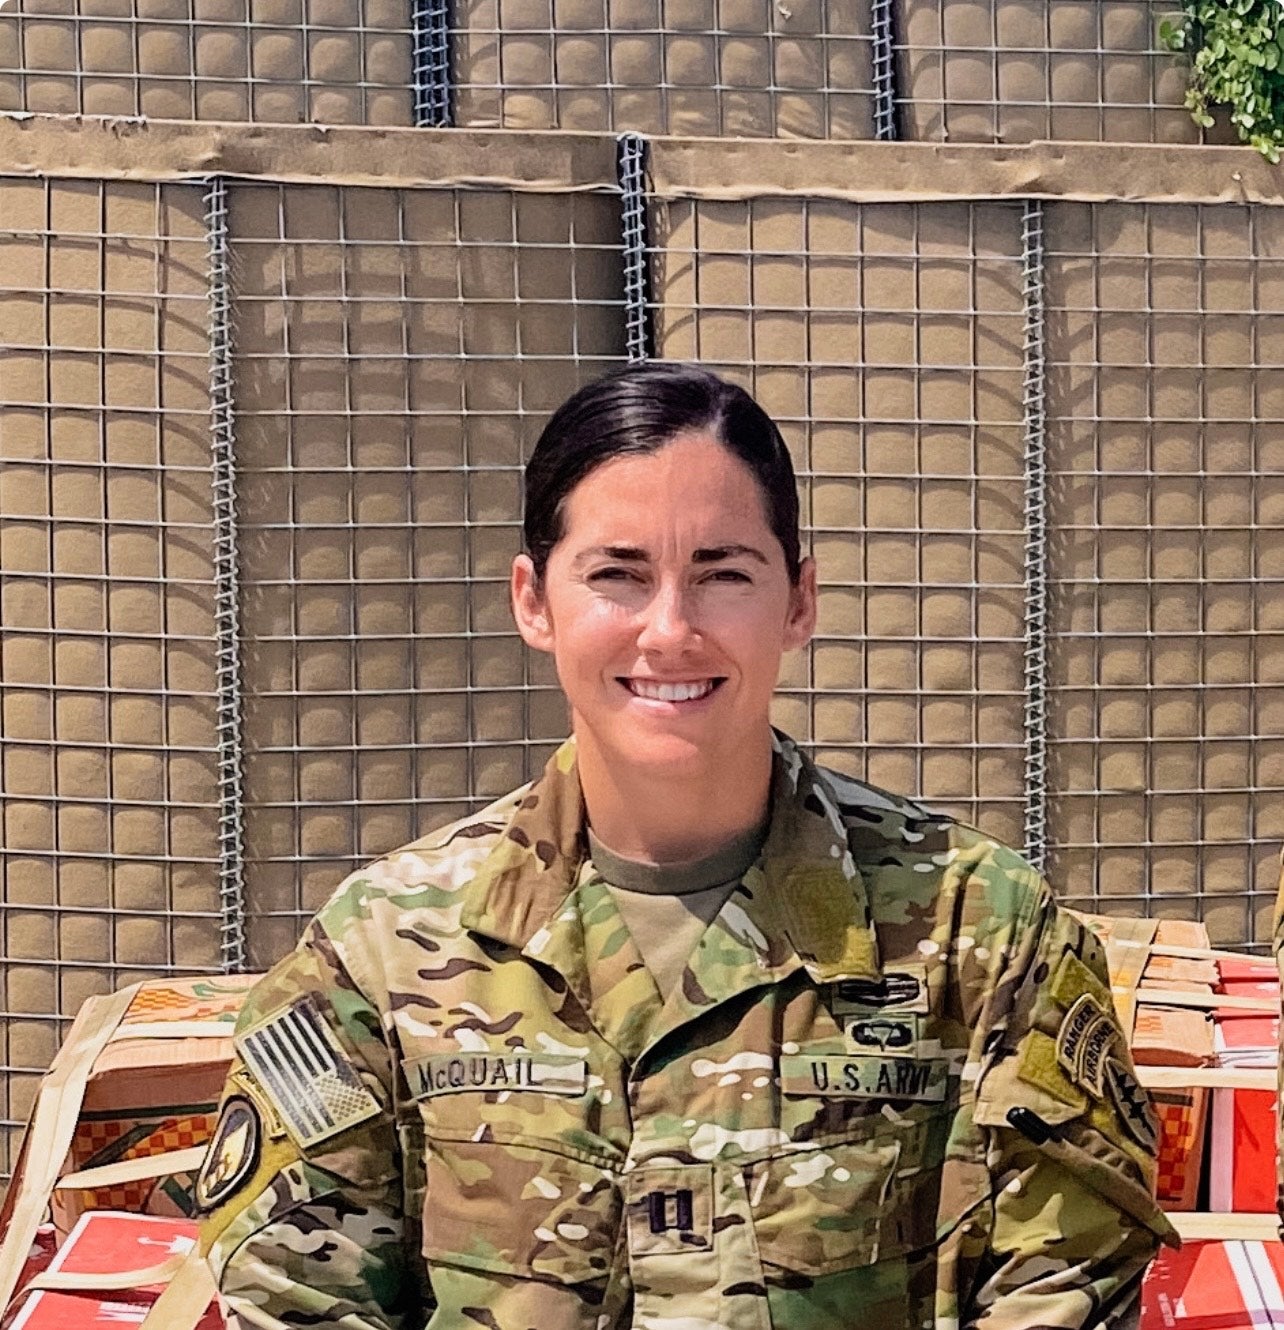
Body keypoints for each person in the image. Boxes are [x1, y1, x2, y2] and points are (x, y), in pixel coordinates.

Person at [197, 362, 1175, 1330]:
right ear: (533, 601)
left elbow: (1062, 1288)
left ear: (797, 602)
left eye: (723, 575)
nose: (669, 631)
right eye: (618, 575)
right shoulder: (377, 952)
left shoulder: (985, 935)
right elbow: (298, 1295)